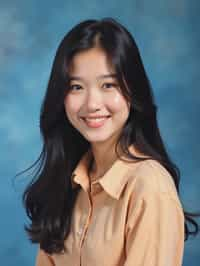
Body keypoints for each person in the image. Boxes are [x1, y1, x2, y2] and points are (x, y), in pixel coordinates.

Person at [20, 17, 200, 266]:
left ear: (132, 91)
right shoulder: (68, 182)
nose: (92, 104)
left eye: (108, 84)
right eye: (75, 87)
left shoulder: (149, 188)